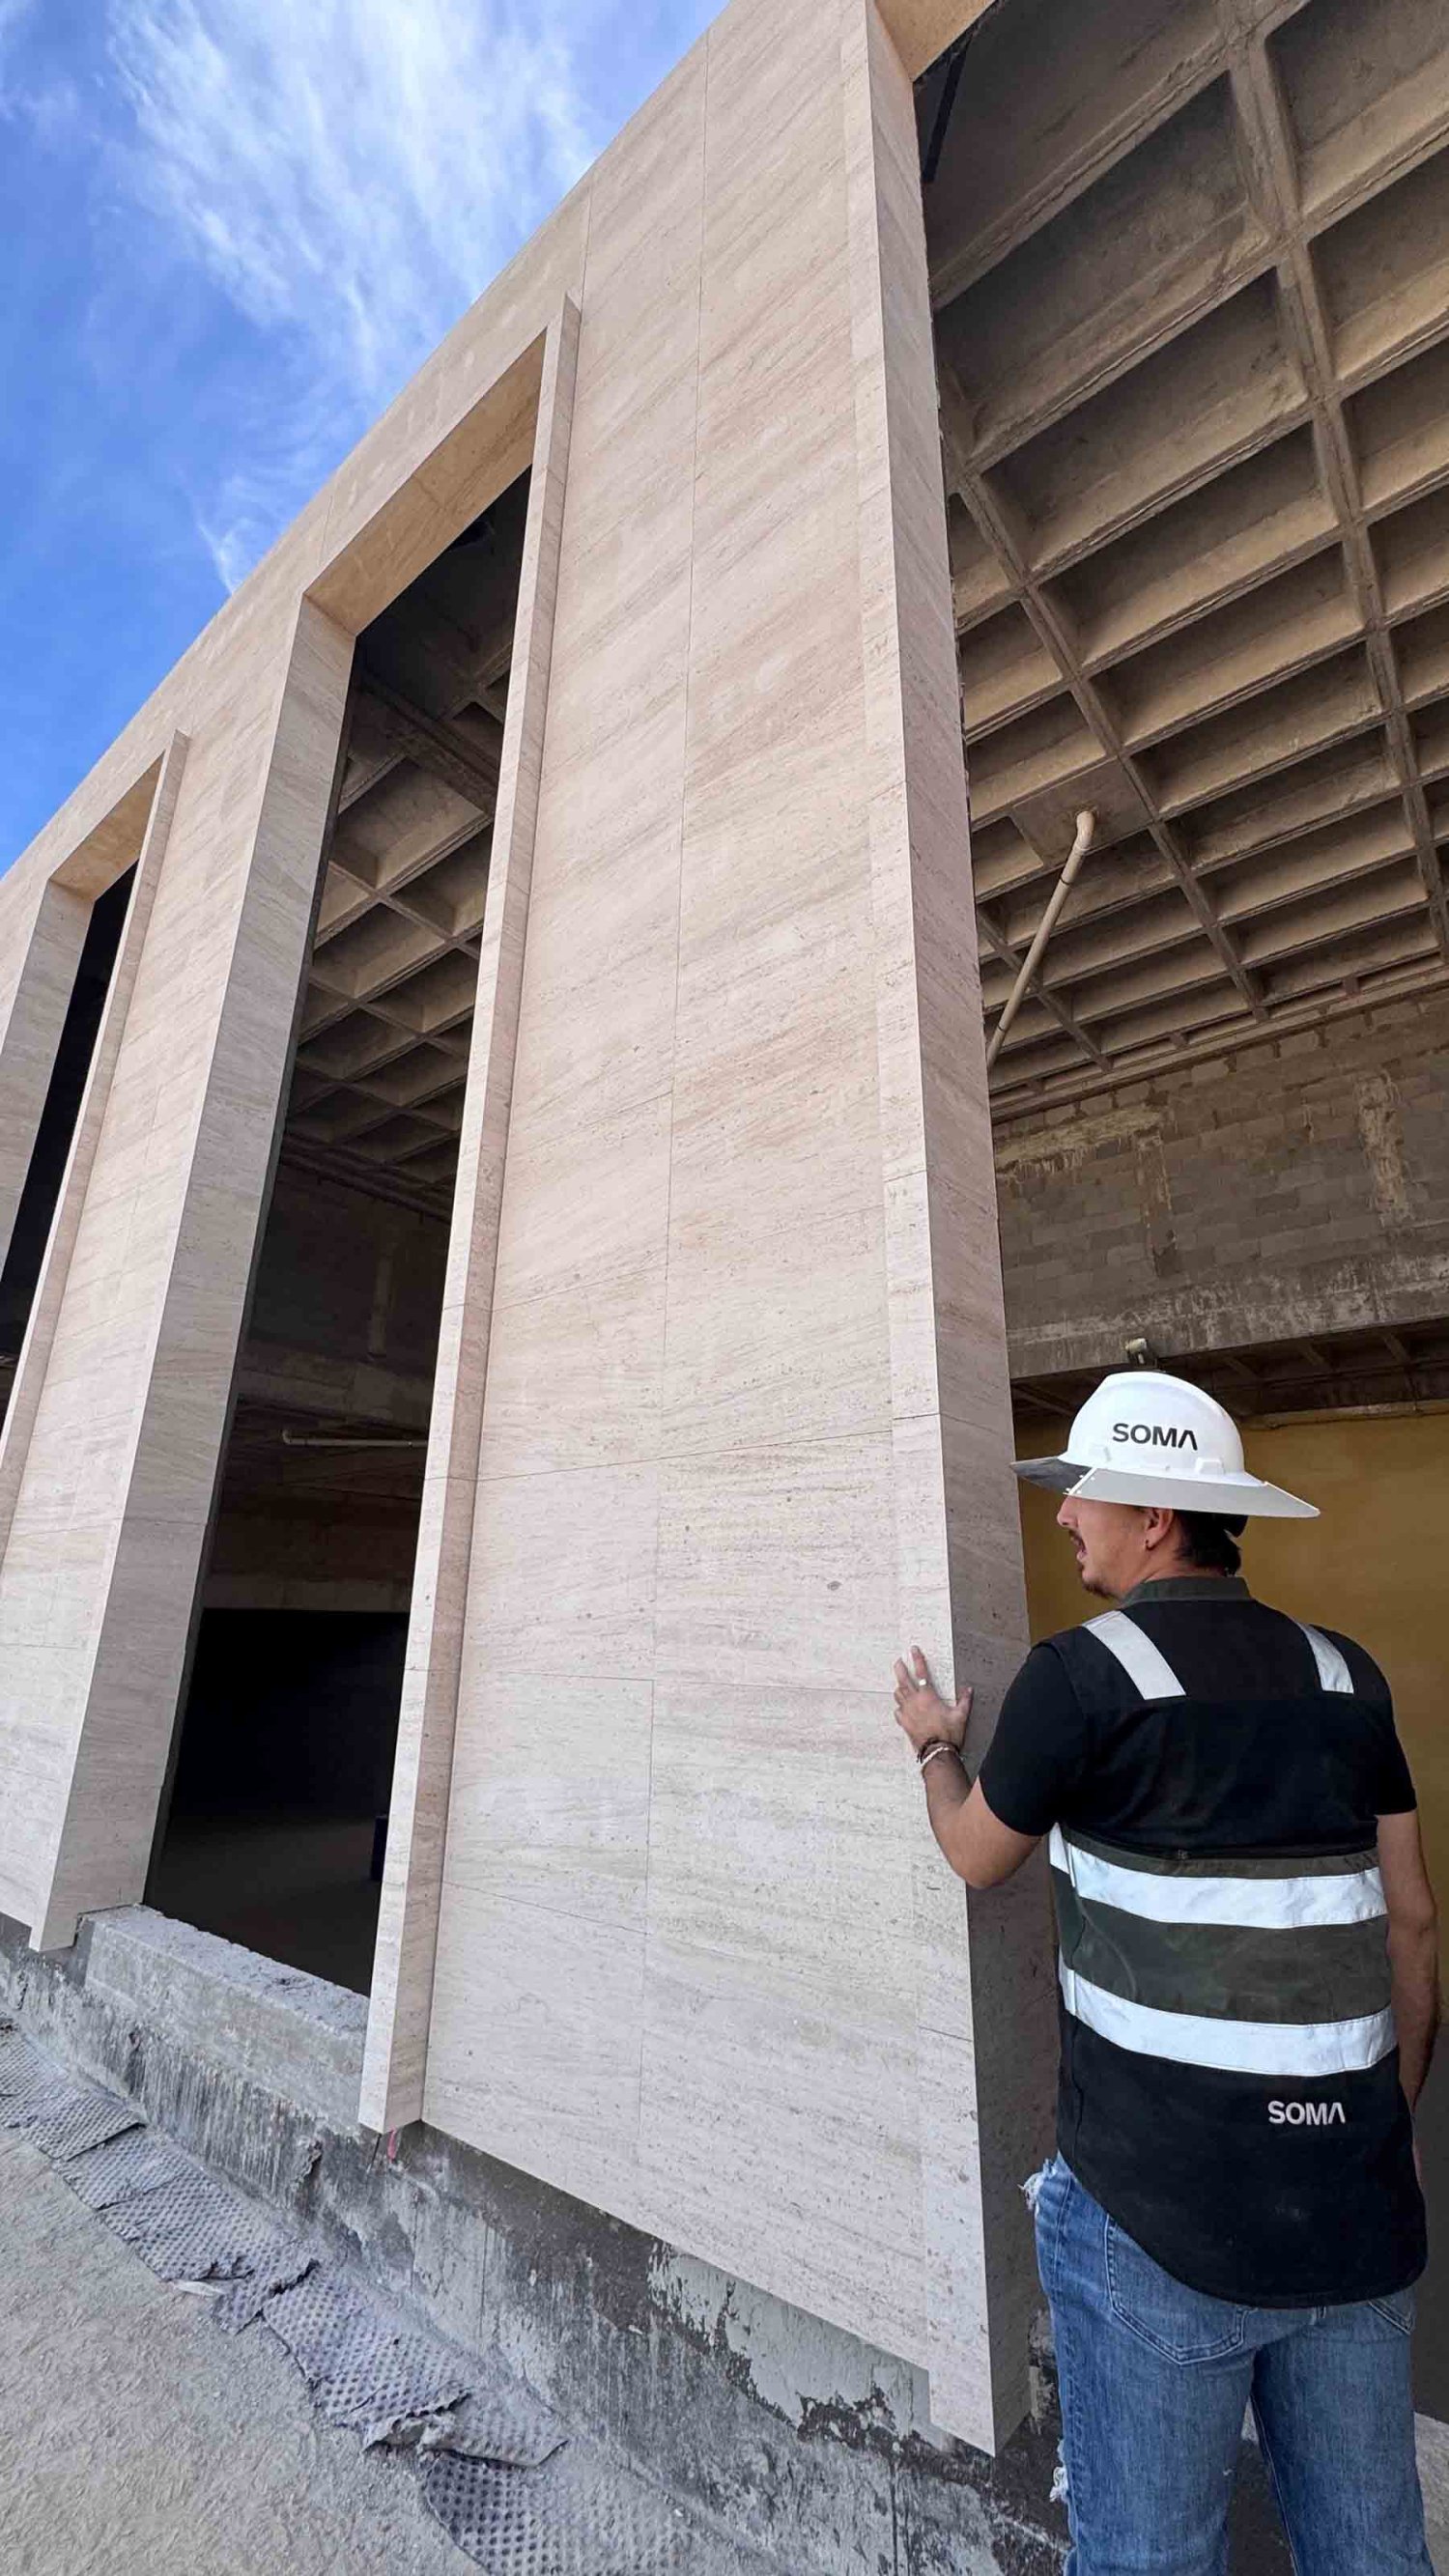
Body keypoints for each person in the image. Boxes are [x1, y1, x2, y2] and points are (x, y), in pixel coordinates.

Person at [892, 1369, 1440, 2576]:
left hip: (1156, 2217)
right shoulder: (1349, 1676)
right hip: (1353, 2206)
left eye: (1084, 1489)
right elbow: (1411, 1925)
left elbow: (976, 1855)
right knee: (1372, 2556)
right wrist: (1378, 2121)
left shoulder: (1081, 1677)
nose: (1063, 1514)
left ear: (1154, 1516)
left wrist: (934, 1745)